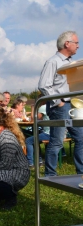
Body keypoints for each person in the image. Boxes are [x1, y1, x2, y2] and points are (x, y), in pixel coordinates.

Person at [38, 30, 83, 176]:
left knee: (81, 138)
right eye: (76, 42)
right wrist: (59, 102)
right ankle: (50, 174)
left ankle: (81, 172)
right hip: (61, 107)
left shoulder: (72, 63)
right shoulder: (53, 62)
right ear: (67, 43)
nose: (78, 46)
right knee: (57, 141)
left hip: (74, 106)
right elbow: (44, 85)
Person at [25, 102, 49, 169]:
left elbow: (34, 120)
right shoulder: (50, 106)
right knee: (35, 139)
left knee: (28, 140)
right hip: (56, 133)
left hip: (48, 134)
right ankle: (40, 161)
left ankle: (30, 163)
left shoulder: (43, 107)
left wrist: (33, 108)